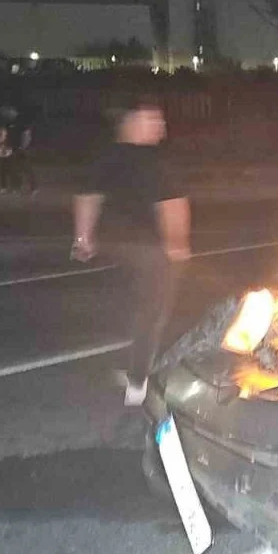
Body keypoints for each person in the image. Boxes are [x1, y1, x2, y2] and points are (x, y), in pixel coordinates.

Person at [70, 98, 191, 406]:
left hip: (116, 248)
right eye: (153, 121)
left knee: (134, 308)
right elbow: (173, 204)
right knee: (152, 315)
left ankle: (132, 369)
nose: (161, 128)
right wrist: (177, 243)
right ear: (132, 123)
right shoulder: (156, 162)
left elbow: (88, 196)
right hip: (151, 250)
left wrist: (83, 238)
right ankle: (138, 385)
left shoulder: (106, 158)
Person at [0, 105, 37, 194]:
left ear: (12, 112)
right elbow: (7, 136)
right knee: (14, 169)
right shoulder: (8, 123)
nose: (5, 115)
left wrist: (23, 147)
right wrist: (6, 146)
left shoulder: (21, 121)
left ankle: (33, 188)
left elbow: (27, 134)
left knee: (26, 168)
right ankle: (17, 187)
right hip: (12, 149)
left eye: (6, 113)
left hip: (22, 149)